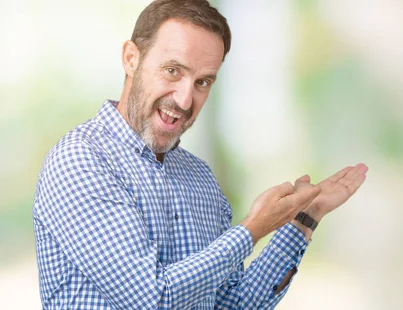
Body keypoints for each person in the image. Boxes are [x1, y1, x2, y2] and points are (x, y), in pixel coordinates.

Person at [33, 0, 368, 309]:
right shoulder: (80, 160)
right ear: (131, 58)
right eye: (173, 71)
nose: (184, 99)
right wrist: (252, 229)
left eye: (203, 82)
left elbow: (235, 304)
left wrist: (304, 218)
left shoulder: (200, 179)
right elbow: (152, 298)